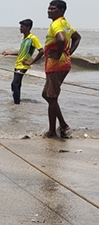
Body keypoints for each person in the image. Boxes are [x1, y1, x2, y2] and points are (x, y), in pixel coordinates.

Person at [29, 0, 81, 138]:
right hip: (61, 64)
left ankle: (52, 131)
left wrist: (58, 54)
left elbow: (61, 39)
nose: (49, 10)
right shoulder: (65, 23)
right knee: (47, 95)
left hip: (56, 66)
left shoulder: (57, 24)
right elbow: (77, 37)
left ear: (62, 11)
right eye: (49, 8)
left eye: (53, 9)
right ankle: (63, 124)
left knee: (51, 97)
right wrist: (68, 53)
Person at [2, 19, 44, 104]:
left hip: (23, 65)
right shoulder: (23, 38)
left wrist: (31, 62)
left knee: (14, 84)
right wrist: (9, 53)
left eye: (22, 27)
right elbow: (21, 52)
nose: (20, 28)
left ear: (28, 27)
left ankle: (16, 103)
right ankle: (17, 102)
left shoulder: (33, 38)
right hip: (18, 64)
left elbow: (42, 51)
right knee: (18, 84)